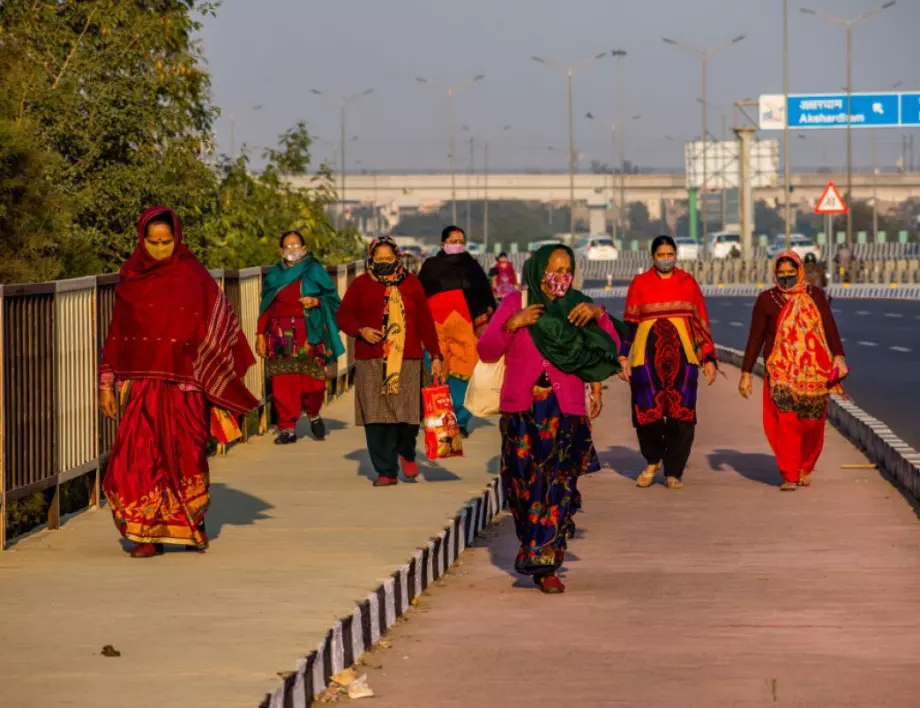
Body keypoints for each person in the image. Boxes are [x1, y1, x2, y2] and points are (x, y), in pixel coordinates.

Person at [99, 206, 258, 557]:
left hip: (186, 387)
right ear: (141, 240)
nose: (159, 248)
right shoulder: (130, 278)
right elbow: (117, 336)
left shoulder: (193, 276)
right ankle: (146, 536)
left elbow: (219, 324)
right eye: (152, 241)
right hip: (142, 387)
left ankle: (189, 524)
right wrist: (106, 384)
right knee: (136, 459)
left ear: (177, 239)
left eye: (166, 241)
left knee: (186, 458)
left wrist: (209, 369)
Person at [478, 244, 622, 594]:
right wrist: (513, 325)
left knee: (558, 485)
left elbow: (609, 345)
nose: (560, 276)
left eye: (567, 268)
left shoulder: (579, 305)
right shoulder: (516, 302)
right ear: (538, 269)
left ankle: (547, 563)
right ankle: (532, 545)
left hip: (565, 410)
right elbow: (486, 350)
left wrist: (599, 313)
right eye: (554, 268)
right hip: (523, 411)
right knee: (525, 486)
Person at [337, 236, 443, 487]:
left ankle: (406, 451)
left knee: (407, 417)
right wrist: (360, 330)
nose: (384, 263)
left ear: (397, 257)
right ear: (370, 258)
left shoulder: (412, 284)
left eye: (389, 258)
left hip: (407, 359)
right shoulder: (361, 284)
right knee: (376, 418)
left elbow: (425, 322)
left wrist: (436, 355)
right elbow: (343, 315)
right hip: (372, 358)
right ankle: (386, 471)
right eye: (379, 259)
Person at [739, 251, 848, 491]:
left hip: (814, 371)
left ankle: (804, 465)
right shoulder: (767, 299)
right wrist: (746, 372)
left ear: (799, 271)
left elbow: (829, 328)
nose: (786, 277)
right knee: (786, 421)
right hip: (780, 370)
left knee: (812, 422)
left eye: (791, 273)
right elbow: (755, 337)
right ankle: (789, 473)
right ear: (775, 274)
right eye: (781, 274)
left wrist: (838, 357)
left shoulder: (815, 296)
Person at [619, 235, 718, 490]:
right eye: (661, 255)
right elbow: (630, 323)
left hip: (683, 359)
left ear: (676, 255)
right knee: (646, 413)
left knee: (682, 415)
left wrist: (707, 357)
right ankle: (653, 460)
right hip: (646, 358)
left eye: (669, 254)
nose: (666, 259)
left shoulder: (687, 283)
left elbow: (700, 323)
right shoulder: (640, 284)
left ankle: (674, 470)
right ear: (653, 257)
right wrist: (622, 355)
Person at [256, 231, 344, 444]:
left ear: (304, 249)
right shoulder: (275, 275)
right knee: (283, 382)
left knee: (314, 383)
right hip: (280, 332)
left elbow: (334, 301)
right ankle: (287, 428)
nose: (292, 250)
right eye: (287, 246)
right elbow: (266, 307)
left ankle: (313, 413)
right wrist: (260, 334)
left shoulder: (314, 270)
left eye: (296, 246)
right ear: (280, 251)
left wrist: (316, 302)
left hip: (308, 331)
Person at [417, 225, 495, 438]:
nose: (458, 244)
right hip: (436, 326)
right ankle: (439, 421)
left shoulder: (472, 266)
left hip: (466, 326)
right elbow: (417, 295)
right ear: (443, 244)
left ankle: (460, 421)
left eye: (461, 241)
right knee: (436, 368)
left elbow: (485, 296)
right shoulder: (431, 265)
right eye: (453, 241)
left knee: (465, 372)